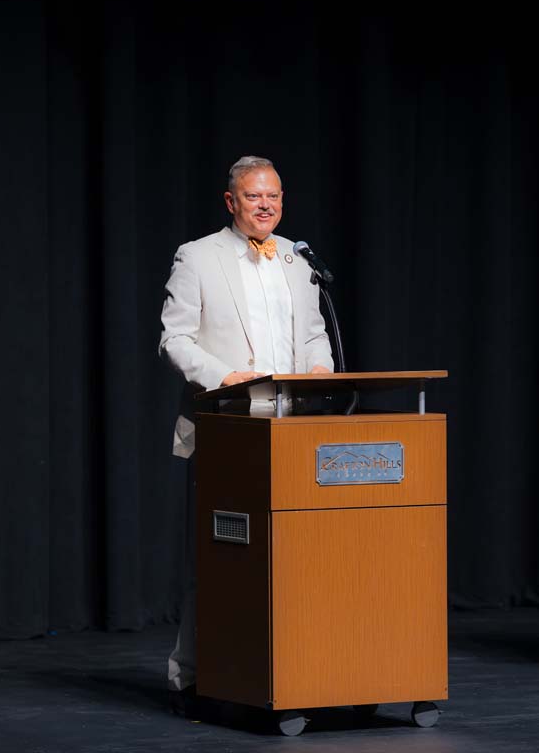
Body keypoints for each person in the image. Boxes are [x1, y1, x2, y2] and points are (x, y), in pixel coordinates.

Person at [158, 156, 334, 707]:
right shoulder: (198, 256)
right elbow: (174, 339)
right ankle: (194, 674)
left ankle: (292, 669)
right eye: (255, 196)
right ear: (231, 201)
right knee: (222, 553)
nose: (266, 206)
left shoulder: (296, 258)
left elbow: (312, 333)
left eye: (274, 196)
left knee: (296, 554)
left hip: (292, 426)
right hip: (227, 422)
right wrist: (223, 377)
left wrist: (321, 369)